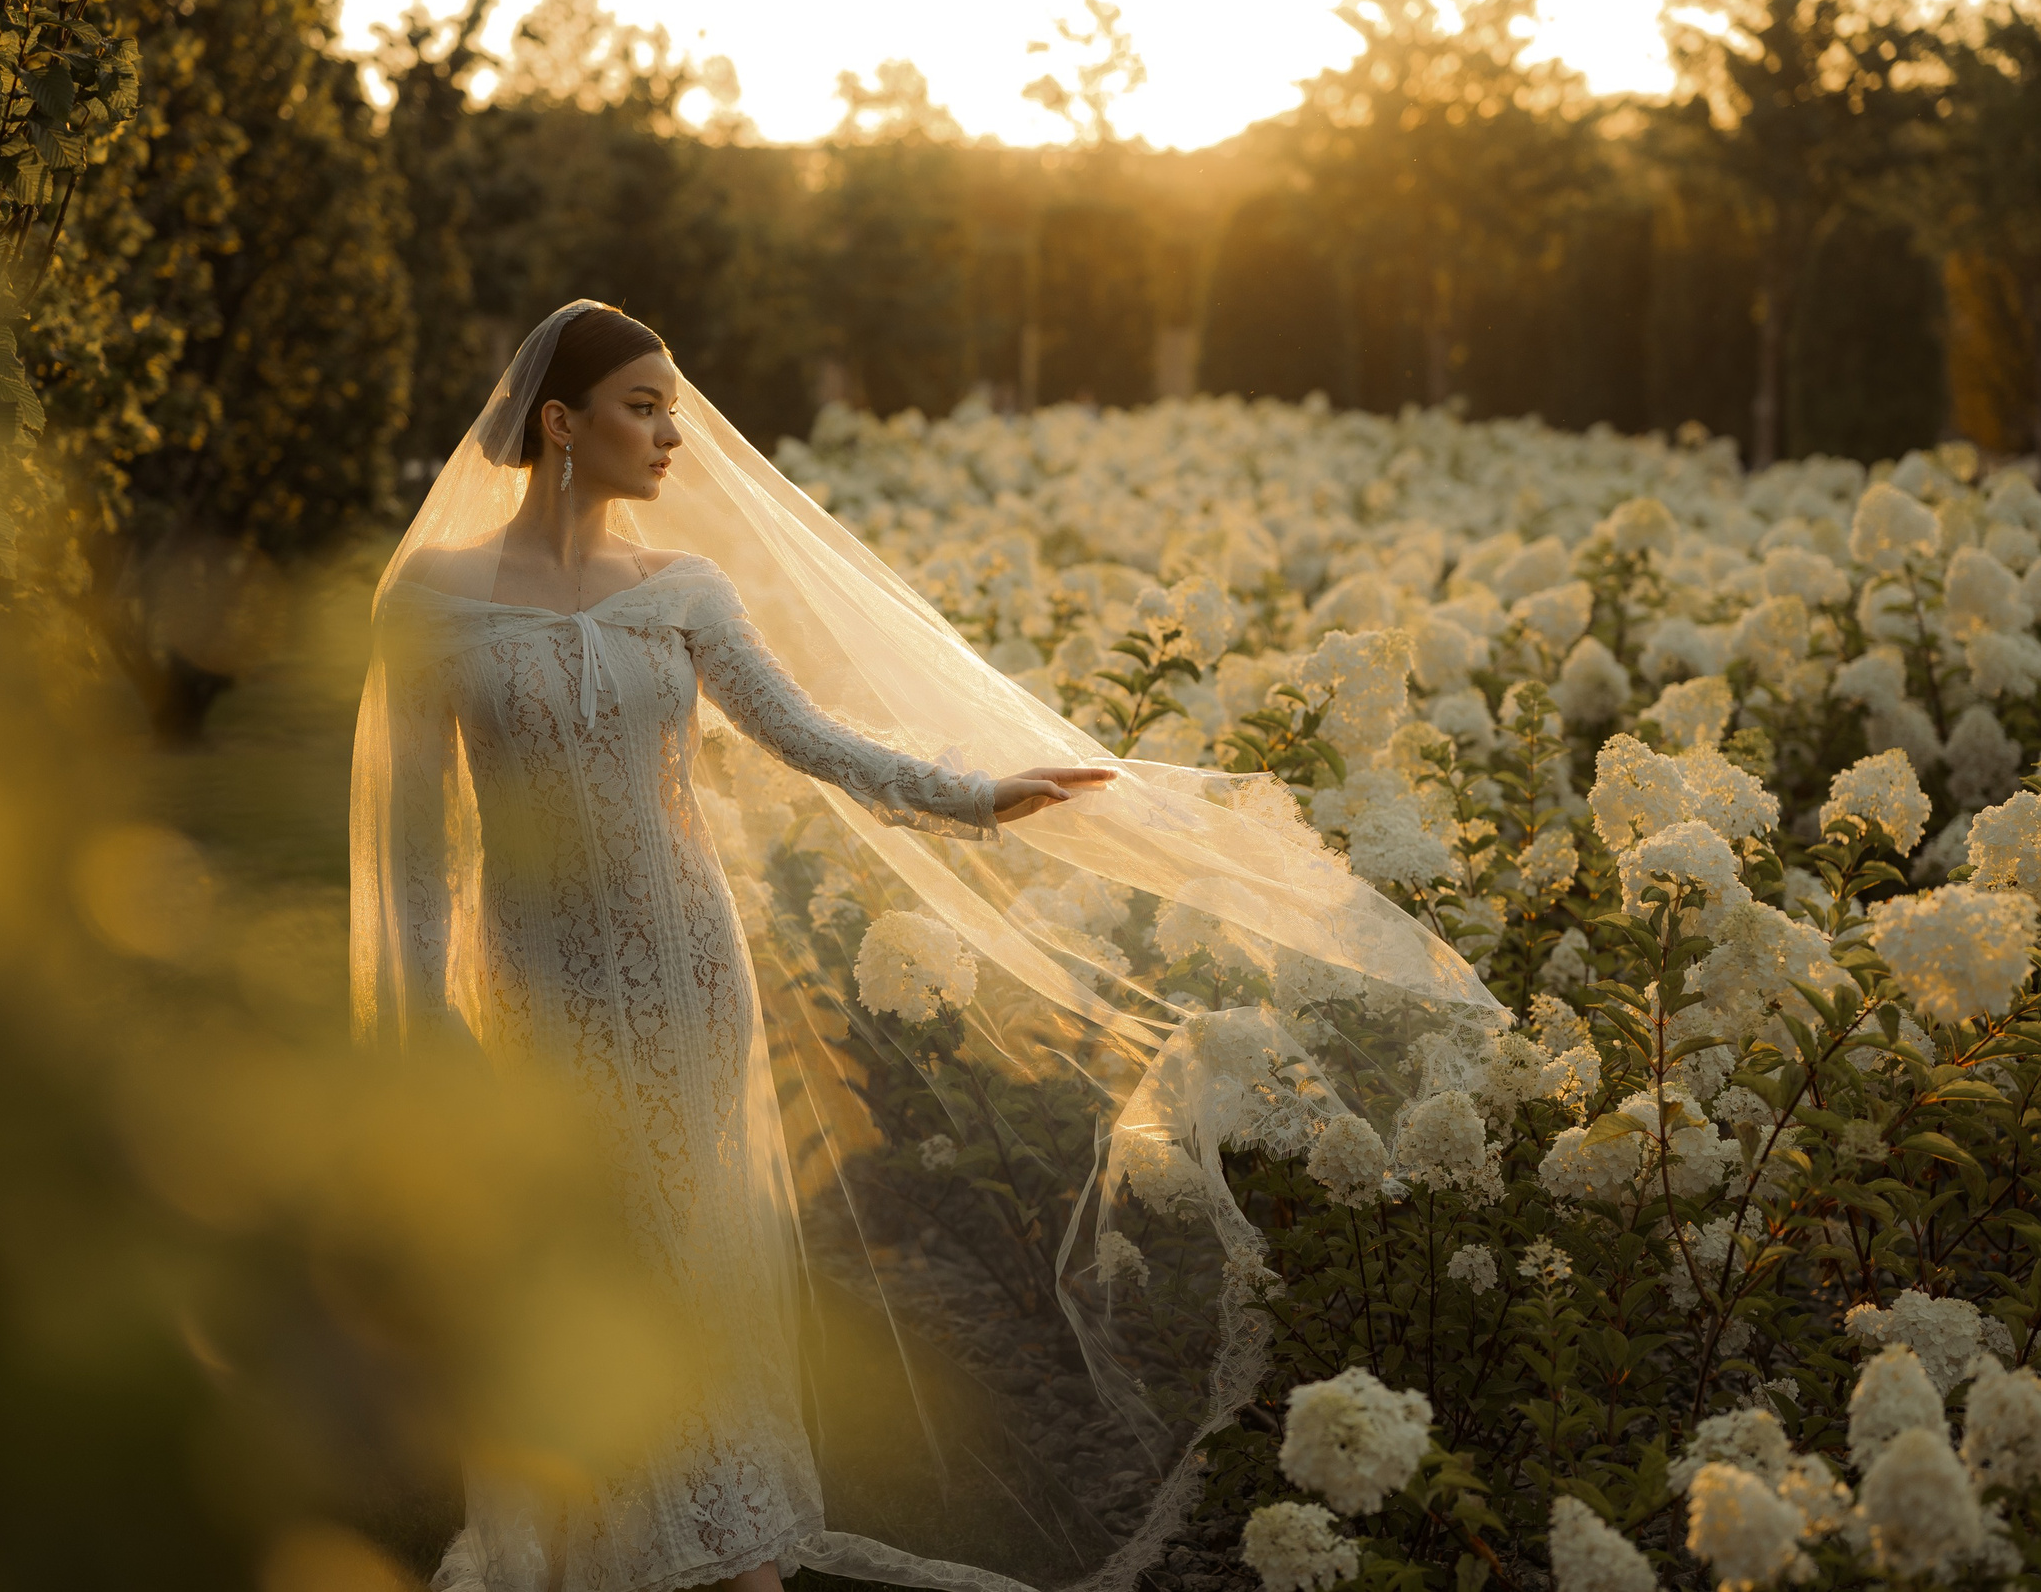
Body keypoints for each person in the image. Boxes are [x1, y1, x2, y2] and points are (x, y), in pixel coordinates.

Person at [351, 301, 1495, 1592]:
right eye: (644, 407)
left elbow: (812, 739)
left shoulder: (680, 591)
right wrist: (431, 1043)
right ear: (560, 424)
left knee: (689, 1249)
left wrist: (974, 795)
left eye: (676, 406)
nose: (676, 435)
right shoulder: (436, 605)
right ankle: (581, 1538)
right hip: (534, 990)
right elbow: (407, 857)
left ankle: (727, 1547)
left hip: (686, 972)